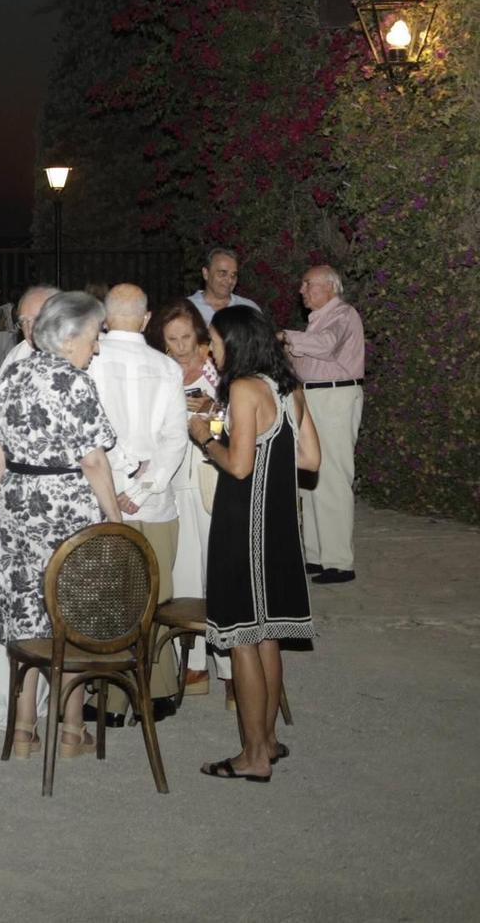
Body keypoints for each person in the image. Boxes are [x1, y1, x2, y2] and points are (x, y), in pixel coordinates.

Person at [0, 291, 123, 762]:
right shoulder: (75, 383)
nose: (96, 348)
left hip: (19, 506)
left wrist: (6, 484)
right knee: (68, 614)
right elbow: (94, 460)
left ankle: (21, 732)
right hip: (65, 508)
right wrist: (115, 520)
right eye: (95, 337)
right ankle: (73, 732)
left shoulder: (15, 371)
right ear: (73, 335)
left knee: (27, 614)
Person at [190, 305, 320, 782]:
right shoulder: (288, 387)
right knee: (266, 637)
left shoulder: (244, 389)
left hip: (244, 523)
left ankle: (253, 757)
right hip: (279, 524)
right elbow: (309, 458)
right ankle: (266, 740)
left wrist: (205, 438)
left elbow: (240, 466)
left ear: (236, 343)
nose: (210, 349)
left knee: (242, 638)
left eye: (214, 342)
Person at [86, 283, 190, 713]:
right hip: (155, 501)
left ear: (105, 320)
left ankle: (109, 698)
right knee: (155, 596)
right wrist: (144, 484)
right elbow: (175, 438)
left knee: (107, 596)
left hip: (101, 498)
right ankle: (158, 691)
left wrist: (122, 481)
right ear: (147, 320)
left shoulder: (87, 361)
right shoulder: (166, 367)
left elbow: (91, 433)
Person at [147, 299, 223, 692]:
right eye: (172, 339)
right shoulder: (158, 371)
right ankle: (194, 665)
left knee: (220, 569)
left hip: (213, 475)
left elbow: (239, 419)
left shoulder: (219, 366)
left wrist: (213, 410)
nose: (180, 347)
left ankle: (229, 667)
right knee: (185, 570)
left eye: (185, 337)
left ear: (198, 334)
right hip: (177, 478)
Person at [282, 265, 364, 584]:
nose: (302, 290)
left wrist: (287, 337)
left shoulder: (342, 314)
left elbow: (326, 345)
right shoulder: (317, 321)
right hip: (314, 397)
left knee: (332, 477)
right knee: (310, 476)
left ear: (330, 287)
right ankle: (317, 555)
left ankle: (340, 562)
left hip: (335, 397)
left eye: (307, 284)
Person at [0, 284, 59, 381]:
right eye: (24, 321)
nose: (29, 328)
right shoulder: (16, 355)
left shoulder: (82, 354)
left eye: (37, 318)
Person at [189, 247, 259, 326]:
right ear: (206, 273)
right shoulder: (188, 308)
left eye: (233, 275)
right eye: (222, 273)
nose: (229, 280)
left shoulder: (248, 308)